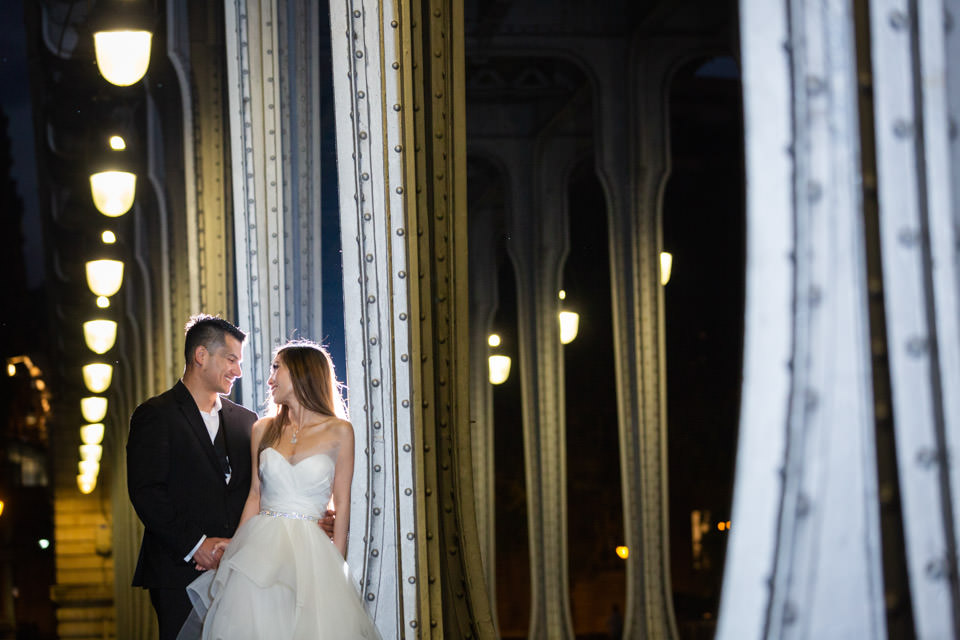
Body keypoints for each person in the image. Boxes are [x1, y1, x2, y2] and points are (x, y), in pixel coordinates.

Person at [178, 339, 380, 639]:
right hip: (261, 551)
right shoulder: (262, 429)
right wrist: (236, 544)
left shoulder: (340, 431)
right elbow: (255, 495)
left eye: (276, 368)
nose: (270, 379)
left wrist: (336, 569)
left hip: (312, 554)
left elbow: (343, 504)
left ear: (301, 372)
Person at [127, 314, 258, 640]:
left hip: (238, 569)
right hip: (177, 572)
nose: (238, 372)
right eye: (231, 360)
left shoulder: (247, 421)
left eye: (239, 363)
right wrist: (196, 545)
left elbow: (260, 489)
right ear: (201, 355)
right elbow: (146, 491)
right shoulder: (155, 415)